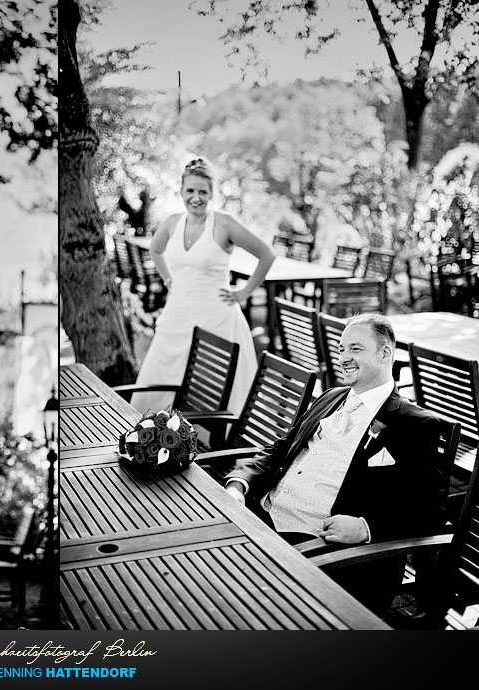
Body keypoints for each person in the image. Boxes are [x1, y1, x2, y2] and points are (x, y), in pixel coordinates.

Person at [223, 314, 447, 614]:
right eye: (341, 349)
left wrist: (366, 528)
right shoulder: (330, 397)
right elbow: (281, 448)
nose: (343, 358)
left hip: (324, 552)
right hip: (259, 516)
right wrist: (240, 482)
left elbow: (430, 511)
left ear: (385, 353)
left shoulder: (415, 424)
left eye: (355, 349)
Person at [130, 156, 275, 416]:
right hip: (176, 315)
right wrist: (168, 279)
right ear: (181, 190)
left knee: (210, 385)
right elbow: (156, 249)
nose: (195, 198)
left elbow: (267, 254)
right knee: (160, 377)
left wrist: (244, 292)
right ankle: (153, 433)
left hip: (216, 318)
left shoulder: (225, 223)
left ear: (212, 194)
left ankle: (208, 441)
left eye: (203, 192)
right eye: (190, 191)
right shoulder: (172, 222)